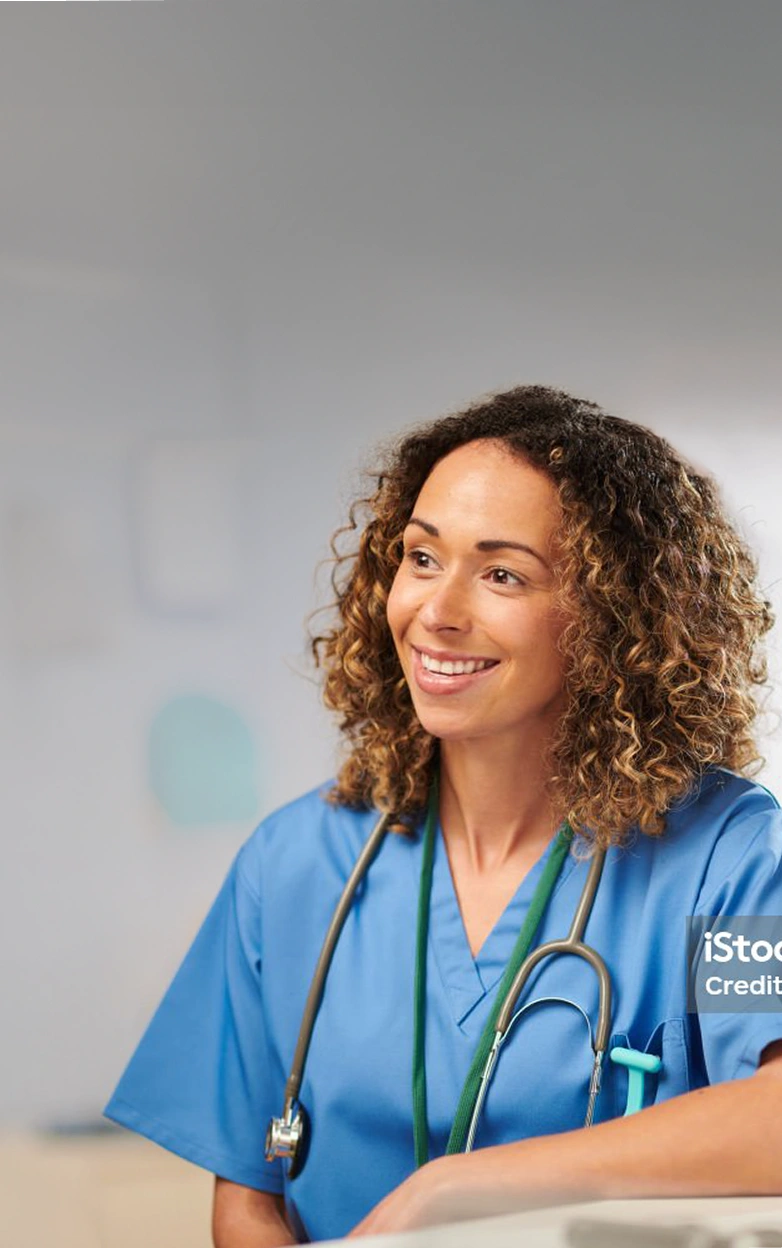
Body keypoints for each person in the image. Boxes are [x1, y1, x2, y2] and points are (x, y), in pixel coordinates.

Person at [105, 385, 782, 1245]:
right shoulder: (298, 864)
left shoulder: (733, 857)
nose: (437, 611)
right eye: (421, 558)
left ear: (614, 619)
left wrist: (455, 1190)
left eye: (503, 574)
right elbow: (249, 1196)